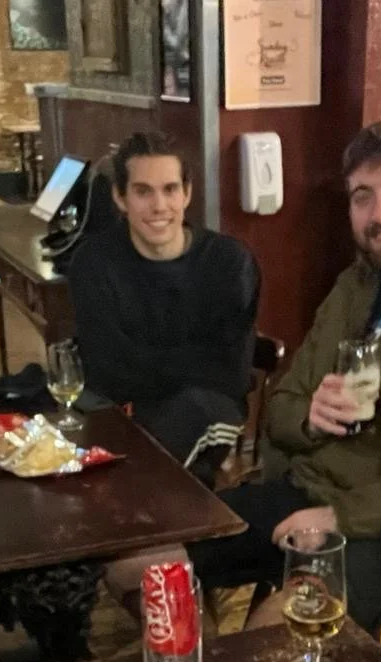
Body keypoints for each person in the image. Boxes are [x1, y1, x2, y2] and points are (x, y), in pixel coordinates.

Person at [181, 118, 381, 633]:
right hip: (305, 489)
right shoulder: (352, 287)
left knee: (276, 629)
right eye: (362, 196)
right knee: (158, 565)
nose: (379, 214)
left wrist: (341, 519)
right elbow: (283, 407)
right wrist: (311, 419)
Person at [68, 132, 259, 483]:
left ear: (186, 193)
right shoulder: (94, 263)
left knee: (182, 422)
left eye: (170, 189)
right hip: (123, 407)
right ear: (120, 198)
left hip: (209, 405)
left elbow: (229, 374)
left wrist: (140, 361)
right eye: (143, 191)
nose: (159, 206)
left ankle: (139, 514)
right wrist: (193, 361)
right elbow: (104, 371)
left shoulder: (229, 262)